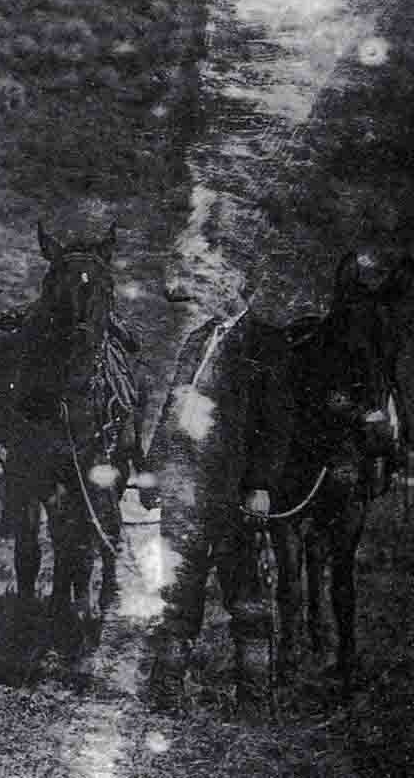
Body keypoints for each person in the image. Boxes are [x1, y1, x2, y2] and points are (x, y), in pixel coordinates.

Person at [143, 300, 285, 713]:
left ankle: (253, 699)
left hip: (235, 491)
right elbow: (173, 409)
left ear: (244, 285)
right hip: (185, 492)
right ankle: (168, 691)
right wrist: (154, 470)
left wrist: (259, 484)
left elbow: (277, 422)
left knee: (245, 593)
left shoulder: (267, 342)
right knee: (178, 592)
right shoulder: (198, 339)